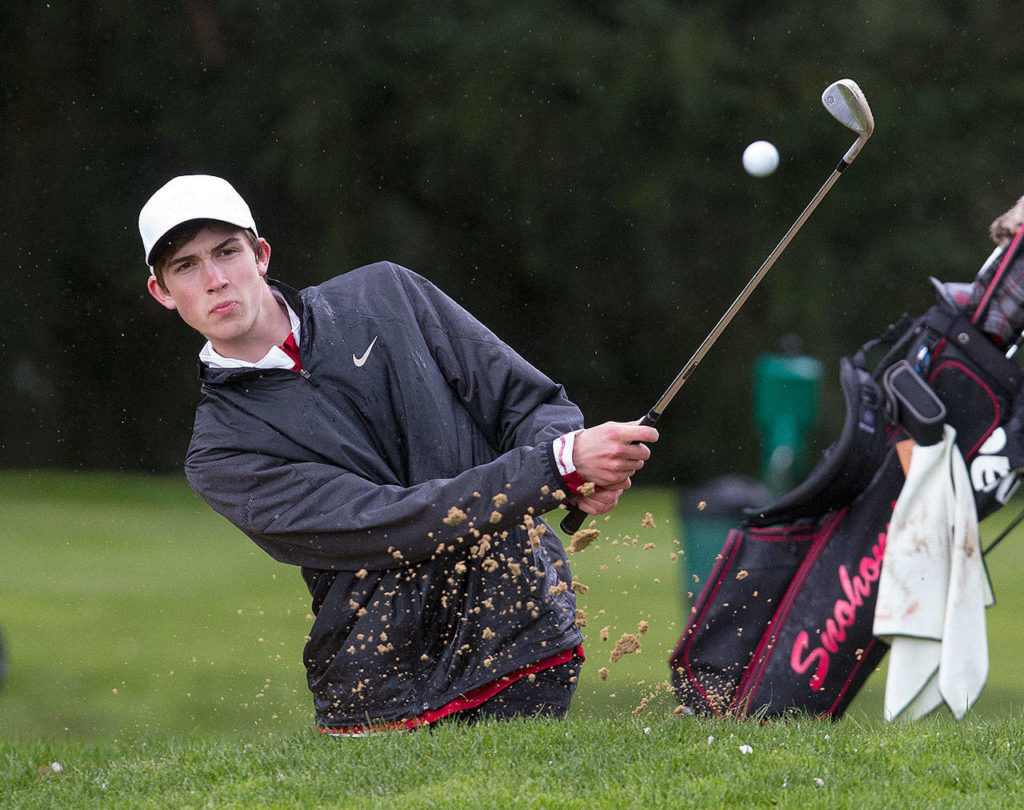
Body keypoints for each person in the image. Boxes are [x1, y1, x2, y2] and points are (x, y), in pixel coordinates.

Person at [139, 174, 658, 734]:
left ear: (260, 255)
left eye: (226, 251)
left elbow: (524, 401)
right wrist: (555, 466)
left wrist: (568, 467)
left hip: (521, 634)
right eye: (186, 266)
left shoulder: (386, 295)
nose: (215, 279)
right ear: (163, 293)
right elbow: (389, 525)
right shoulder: (220, 452)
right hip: (387, 692)